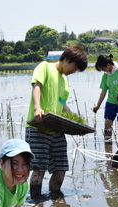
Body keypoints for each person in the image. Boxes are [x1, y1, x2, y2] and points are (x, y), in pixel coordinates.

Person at [25, 45, 88, 198]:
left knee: (61, 168)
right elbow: (37, 86)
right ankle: (36, 202)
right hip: (38, 126)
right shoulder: (44, 67)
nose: (74, 71)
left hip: (56, 129)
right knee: (39, 168)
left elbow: (63, 104)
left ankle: (56, 200)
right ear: (66, 59)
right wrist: (37, 108)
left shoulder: (64, 81)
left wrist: (76, 124)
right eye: (74, 67)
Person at [92, 54, 118, 137]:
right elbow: (103, 91)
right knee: (107, 126)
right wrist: (98, 105)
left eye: (103, 68)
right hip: (111, 103)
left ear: (108, 65)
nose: (103, 70)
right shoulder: (106, 75)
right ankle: (107, 146)